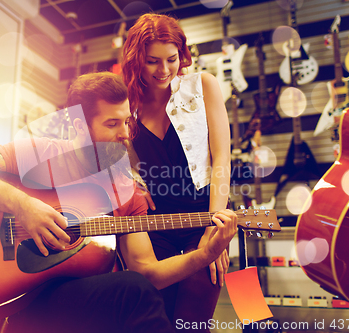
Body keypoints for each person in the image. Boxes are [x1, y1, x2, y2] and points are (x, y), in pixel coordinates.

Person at [0, 72, 236, 333]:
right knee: (132, 291)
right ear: (79, 127)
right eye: (112, 124)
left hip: (74, 300)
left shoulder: (124, 188)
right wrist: (22, 205)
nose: (125, 134)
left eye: (127, 122)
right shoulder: (39, 153)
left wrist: (205, 254)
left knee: (133, 287)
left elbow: (146, 272)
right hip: (21, 300)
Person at [121, 13, 232, 330]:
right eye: (152, 61)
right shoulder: (126, 104)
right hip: (152, 226)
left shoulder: (203, 85)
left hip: (203, 217)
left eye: (172, 59)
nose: (164, 70)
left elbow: (221, 157)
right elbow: (124, 170)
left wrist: (215, 227)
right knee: (153, 320)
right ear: (136, 60)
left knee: (193, 322)